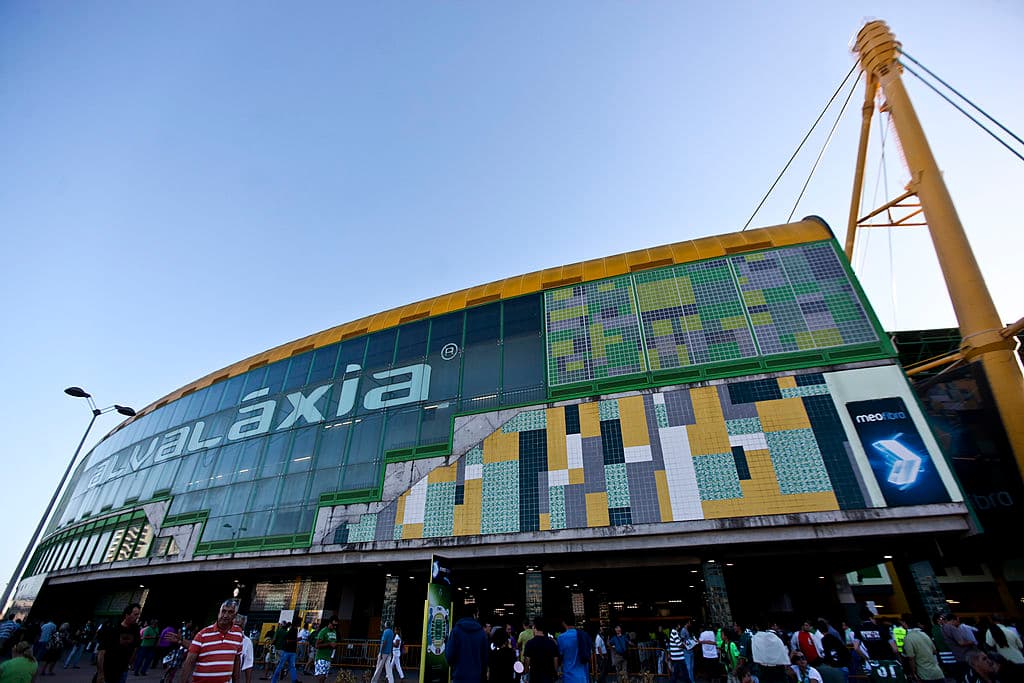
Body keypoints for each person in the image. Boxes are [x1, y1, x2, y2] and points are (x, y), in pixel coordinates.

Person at [180, 600, 244, 683]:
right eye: (223, 611)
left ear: (235, 616)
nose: (225, 615)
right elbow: (189, 662)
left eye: (230, 612)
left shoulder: (238, 634)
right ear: (219, 613)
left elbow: (237, 660)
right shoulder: (203, 634)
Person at [97, 603, 142, 683]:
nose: (137, 617)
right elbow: (101, 652)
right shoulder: (113, 628)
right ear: (127, 615)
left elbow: (136, 646)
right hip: (108, 669)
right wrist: (100, 674)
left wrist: (130, 663)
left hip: (123, 671)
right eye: (135, 614)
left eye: (138, 614)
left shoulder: (135, 629)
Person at [446, 605, 488, 683]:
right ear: (474, 615)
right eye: (477, 614)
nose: (478, 617)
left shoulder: (456, 631)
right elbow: (485, 658)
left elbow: (449, 656)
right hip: (476, 677)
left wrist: (456, 667)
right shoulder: (481, 633)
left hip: (459, 676)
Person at [902, 618, 944, 683]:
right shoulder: (925, 634)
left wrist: (914, 673)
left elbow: (911, 658)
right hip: (937, 672)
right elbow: (934, 651)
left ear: (905, 624)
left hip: (924, 674)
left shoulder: (908, 638)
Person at [523, 617, 559, 683]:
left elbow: (527, 661)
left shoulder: (529, 643)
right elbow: (555, 660)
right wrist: (555, 674)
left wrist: (526, 675)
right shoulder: (551, 643)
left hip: (534, 678)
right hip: (549, 678)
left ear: (534, 627)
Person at [557, 617, 590, 683]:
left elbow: (559, 655)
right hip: (583, 676)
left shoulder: (561, 637)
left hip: (569, 676)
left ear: (564, 623)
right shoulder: (583, 635)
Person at [312, 617, 339, 683]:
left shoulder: (334, 631)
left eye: (336, 625)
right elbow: (317, 645)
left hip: (328, 658)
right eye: (333, 625)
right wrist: (329, 644)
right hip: (321, 657)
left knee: (324, 678)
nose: (335, 627)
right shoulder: (323, 631)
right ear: (329, 623)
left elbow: (333, 643)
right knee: (321, 677)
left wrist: (335, 646)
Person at [236, 615, 255, 683]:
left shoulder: (247, 641)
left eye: (239, 625)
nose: (236, 628)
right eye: (235, 624)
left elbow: (249, 665)